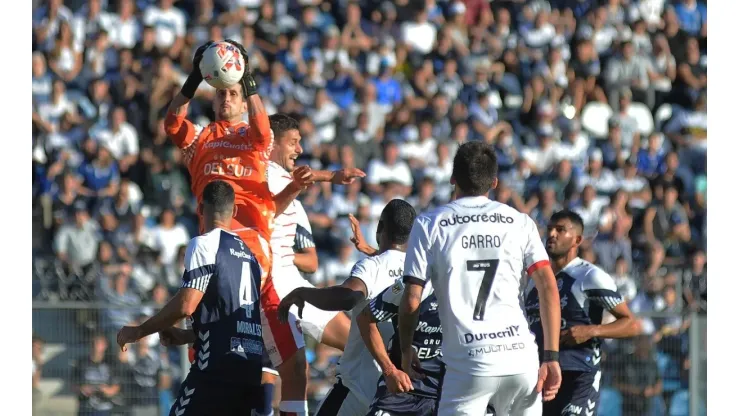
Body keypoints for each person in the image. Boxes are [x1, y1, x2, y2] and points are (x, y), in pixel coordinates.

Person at [163, 40, 363, 416]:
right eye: (221, 93)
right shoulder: (201, 139)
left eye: (234, 94)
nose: (226, 99)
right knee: (224, 359)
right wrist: (193, 79)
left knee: (285, 361)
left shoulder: (256, 142)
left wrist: (248, 76)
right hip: (214, 254)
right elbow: (172, 122)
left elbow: (261, 127)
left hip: (256, 259)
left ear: (243, 99)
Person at [398, 141, 562, 416]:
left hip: (469, 365)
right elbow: (547, 285)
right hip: (521, 359)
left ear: (452, 178)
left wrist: (405, 349)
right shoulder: (520, 222)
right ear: (494, 182)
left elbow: (413, 298)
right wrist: (552, 357)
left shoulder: (429, 224)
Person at [116, 180, 265, 415]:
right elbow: (230, 320)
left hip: (217, 367)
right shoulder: (251, 257)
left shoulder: (204, 244)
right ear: (234, 211)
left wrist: (139, 331)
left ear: (200, 208)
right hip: (251, 365)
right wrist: (185, 335)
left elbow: (186, 305)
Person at [278, 199, 417, 416]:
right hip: (398, 395)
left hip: (357, 391)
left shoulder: (373, 268)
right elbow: (395, 270)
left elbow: (347, 297)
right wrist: (372, 251)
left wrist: (303, 292)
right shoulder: (421, 272)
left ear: (380, 228)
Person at [261, 112, 357, 415]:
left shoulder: (286, 181)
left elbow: (303, 175)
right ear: (272, 142)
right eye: (293, 142)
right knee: (291, 371)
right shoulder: (259, 173)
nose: (299, 149)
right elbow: (267, 210)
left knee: (358, 342)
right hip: (272, 285)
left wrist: (333, 177)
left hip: (294, 280)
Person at [350, 218, 495, 416]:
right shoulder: (413, 286)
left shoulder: (484, 292)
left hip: (453, 394)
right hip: (405, 392)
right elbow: (365, 319)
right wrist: (390, 371)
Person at [525, 210, 641, 416]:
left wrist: (591, 331)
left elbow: (632, 324)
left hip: (579, 376)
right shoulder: (535, 281)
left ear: (577, 239)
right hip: (539, 376)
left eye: (560, 230)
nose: (551, 234)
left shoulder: (590, 276)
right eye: (550, 228)